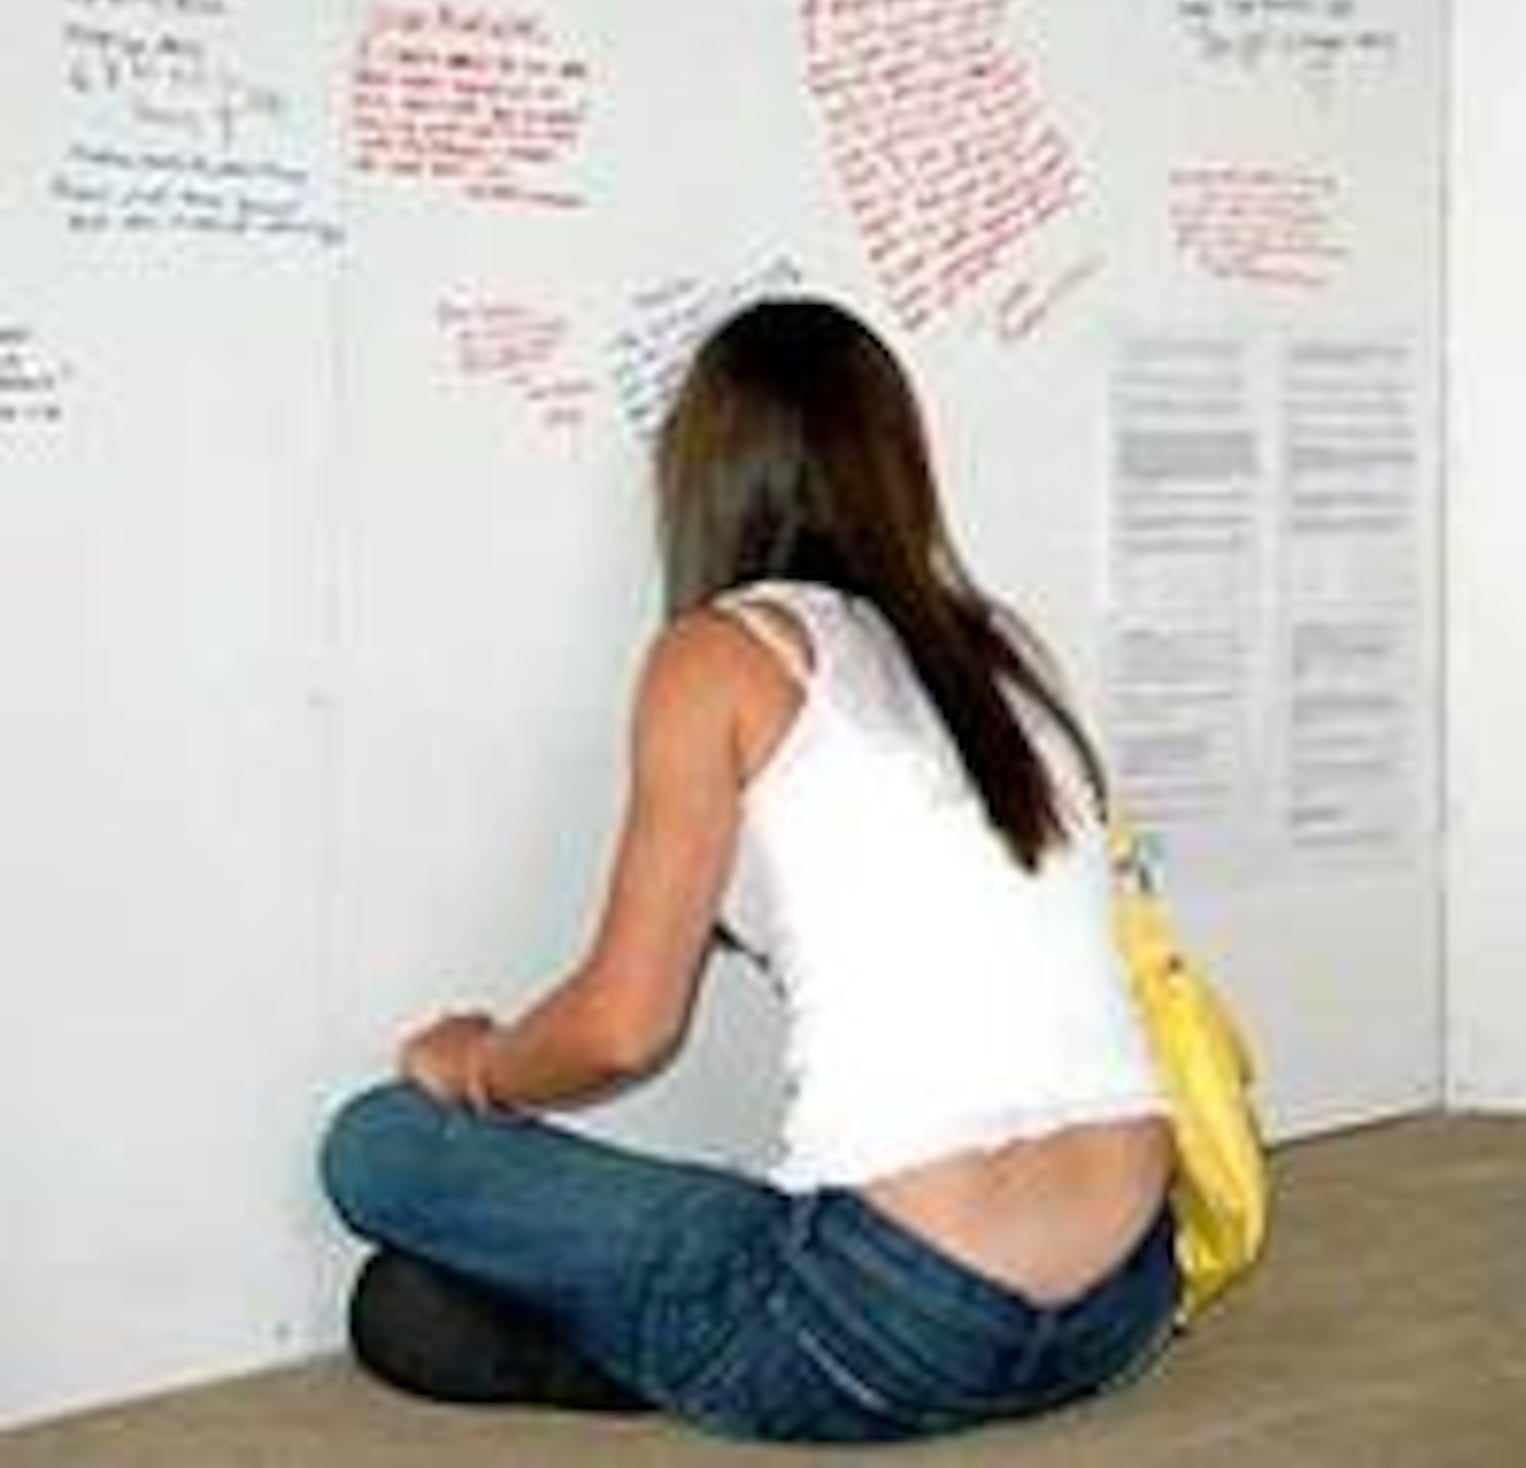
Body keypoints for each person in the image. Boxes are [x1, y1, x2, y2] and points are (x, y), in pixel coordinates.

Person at [318, 297, 1181, 1442]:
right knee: (434, 1299)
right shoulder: (1000, 653)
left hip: (897, 1323)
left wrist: (476, 1066)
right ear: (899, 463)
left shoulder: (716, 657)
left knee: (377, 1147)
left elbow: (625, 1029)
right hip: (1123, 1299)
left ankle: (702, 1338)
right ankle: (679, 1323)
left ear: (704, 474)